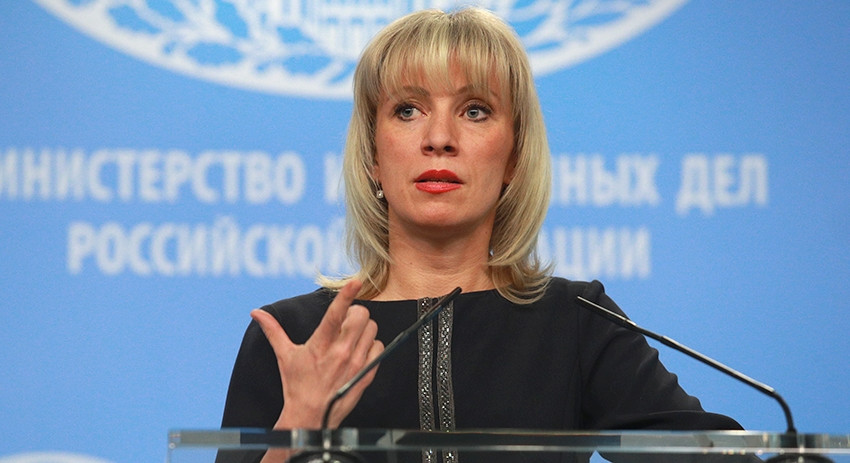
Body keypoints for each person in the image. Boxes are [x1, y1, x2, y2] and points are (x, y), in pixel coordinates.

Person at [219, 7, 745, 463]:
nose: (439, 138)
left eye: (475, 111)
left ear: (514, 156)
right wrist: (299, 424)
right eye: (408, 110)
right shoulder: (299, 336)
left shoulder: (575, 321)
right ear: (372, 156)